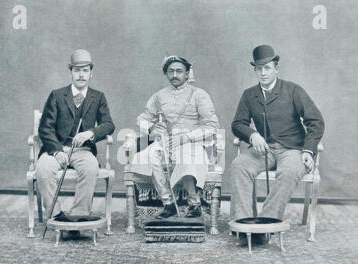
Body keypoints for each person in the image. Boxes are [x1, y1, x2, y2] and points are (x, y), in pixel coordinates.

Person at [230, 45, 324, 242]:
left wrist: (308, 150)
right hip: (263, 149)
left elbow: (315, 121)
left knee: (288, 173)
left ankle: (266, 224)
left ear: (276, 68)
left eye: (267, 68)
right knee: (239, 165)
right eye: (258, 69)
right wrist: (252, 134)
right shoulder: (249, 95)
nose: (263, 73)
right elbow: (238, 123)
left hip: (293, 149)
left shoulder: (293, 90)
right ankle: (243, 224)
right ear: (254, 70)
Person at [132, 55, 220, 219]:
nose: (175, 75)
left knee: (186, 158)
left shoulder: (199, 95)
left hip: (191, 141)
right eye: (171, 71)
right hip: (166, 142)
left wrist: (187, 138)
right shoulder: (159, 96)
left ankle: (194, 204)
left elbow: (212, 126)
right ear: (166, 74)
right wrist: (151, 127)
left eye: (179, 71)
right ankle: (168, 204)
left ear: (187, 74)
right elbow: (142, 119)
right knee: (150, 157)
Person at [36, 49, 115, 226]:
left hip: (83, 151)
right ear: (70, 72)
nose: (81, 74)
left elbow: (109, 124)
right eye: (77, 70)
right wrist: (56, 151)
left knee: (91, 167)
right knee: (43, 168)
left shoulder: (98, 97)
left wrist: (91, 133)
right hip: (56, 149)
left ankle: (79, 215)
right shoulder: (56, 95)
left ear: (91, 73)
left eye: (85, 70)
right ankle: (56, 216)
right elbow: (45, 127)